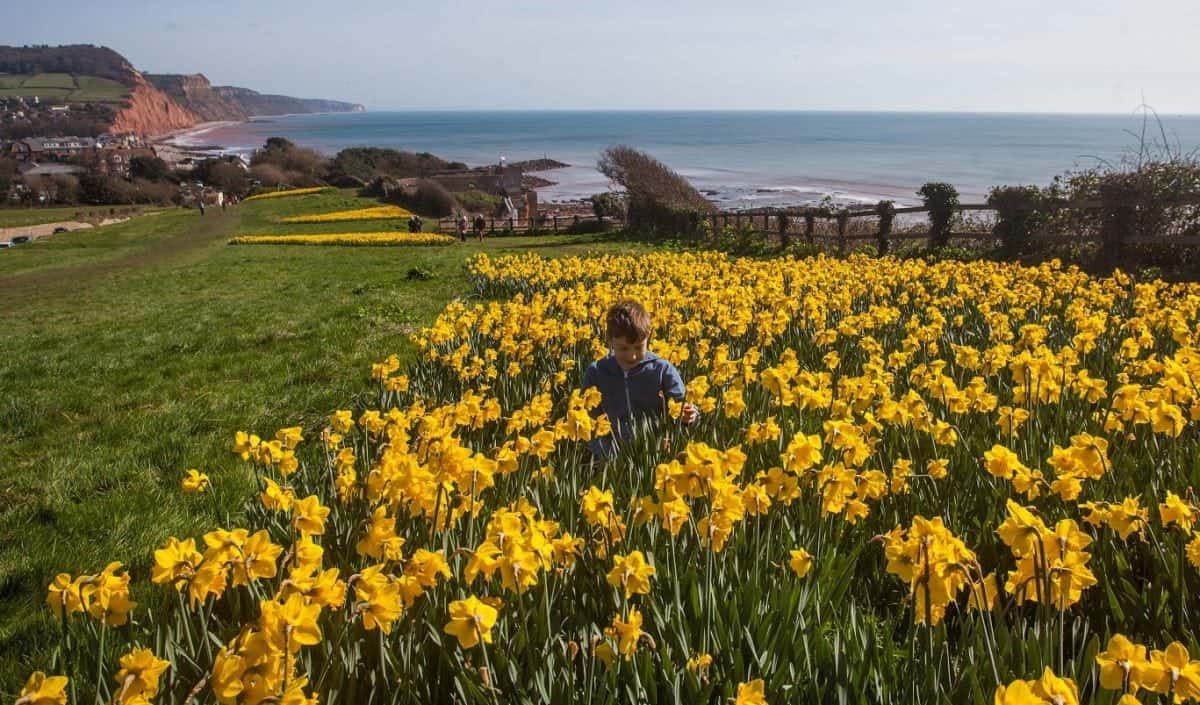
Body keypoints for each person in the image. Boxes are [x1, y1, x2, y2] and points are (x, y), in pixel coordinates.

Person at [582, 299, 698, 457]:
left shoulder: (662, 370)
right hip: (612, 456)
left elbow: (683, 407)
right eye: (623, 348)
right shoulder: (597, 373)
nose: (632, 356)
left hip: (657, 453)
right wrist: (606, 453)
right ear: (609, 340)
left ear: (648, 336)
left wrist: (690, 416)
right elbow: (589, 420)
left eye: (638, 347)